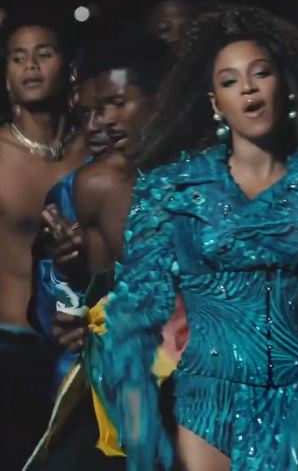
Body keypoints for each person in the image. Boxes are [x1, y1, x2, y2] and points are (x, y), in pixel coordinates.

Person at [87, 5, 298, 470]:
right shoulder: (172, 190)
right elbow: (134, 312)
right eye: (230, 81)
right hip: (206, 408)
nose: (248, 88)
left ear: (286, 86)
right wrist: (139, 428)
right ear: (215, 103)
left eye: (261, 73)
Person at [28, 35, 187, 470]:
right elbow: (61, 306)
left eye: (115, 104)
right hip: (122, 394)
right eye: (88, 113)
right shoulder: (86, 188)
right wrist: (66, 278)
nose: (98, 125)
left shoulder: (215, 174)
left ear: (162, 100)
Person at [0, 12, 88, 469]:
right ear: (6, 77)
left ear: (70, 70)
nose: (30, 66)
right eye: (18, 58)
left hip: (83, 347)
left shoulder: (96, 151)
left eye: (43, 54)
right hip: (5, 350)